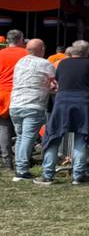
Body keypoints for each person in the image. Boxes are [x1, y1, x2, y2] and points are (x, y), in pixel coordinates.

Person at [35, 41, 89, 185]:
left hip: (62, 102)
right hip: (83, 102)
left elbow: (59, 82)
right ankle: (78, 176)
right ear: (87, 51)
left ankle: (47, 175)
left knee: (54, 137)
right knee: (81, 137)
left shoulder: (63, 63)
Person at [9, 39, 55, 181]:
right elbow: (55, 81)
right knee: (28, 138)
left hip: (15, 104)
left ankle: (19, 168)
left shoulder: (20, 62)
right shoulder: (45, 64)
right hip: (33, 105)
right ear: (41, 49)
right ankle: (21, 170)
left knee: (21, 137)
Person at [0, 29, 28, 170]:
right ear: (20, 39)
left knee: (3, 126)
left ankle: (6, 160)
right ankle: (20, 158)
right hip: (20, 94)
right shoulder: (26, 54)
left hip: (2, 94)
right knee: (22, 129)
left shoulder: (0, 54)